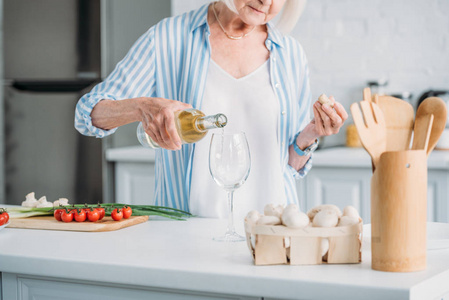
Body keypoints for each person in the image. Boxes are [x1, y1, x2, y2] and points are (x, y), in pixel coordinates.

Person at [74, 0, 348, 219]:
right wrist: (140, 106)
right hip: (186, 235)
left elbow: (290, 164)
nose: (267, 1)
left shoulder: (290, 53)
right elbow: (87, 115)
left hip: (272, 231)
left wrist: (311, 133)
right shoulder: (168, 38)